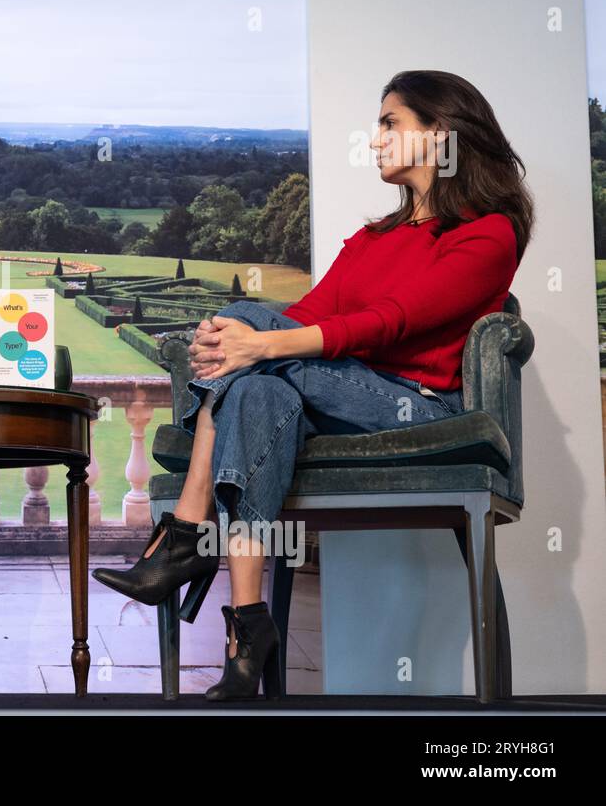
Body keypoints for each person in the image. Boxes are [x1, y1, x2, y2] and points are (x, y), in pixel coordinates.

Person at [93, 70, 534, 700]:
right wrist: (234, 340)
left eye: (390, 123)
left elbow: (391, 323)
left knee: (249, 333)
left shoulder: (488, 233)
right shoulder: (371, 239)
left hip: (418, 409)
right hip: (335, 397)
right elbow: (304, 317)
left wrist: (255, 339)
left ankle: (185, 536)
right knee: (254, 389)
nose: (374, 139)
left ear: (440, 135)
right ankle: (249, 629)